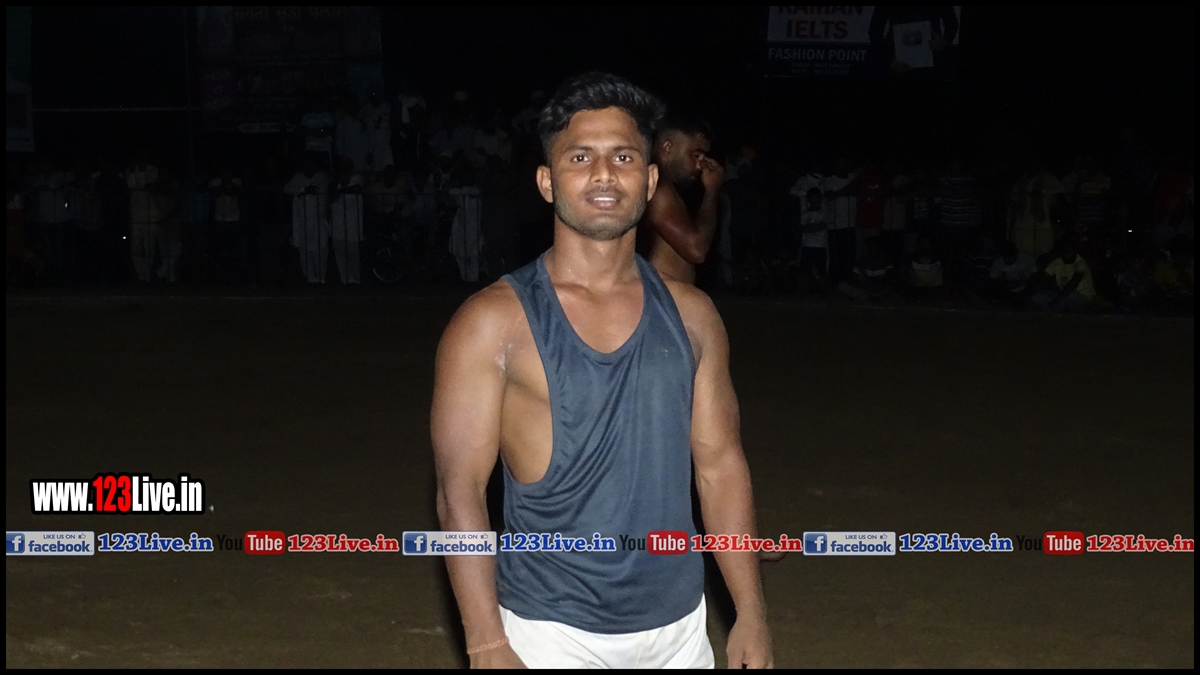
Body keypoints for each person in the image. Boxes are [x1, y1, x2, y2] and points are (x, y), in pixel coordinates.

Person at [432, 72, 773, 669]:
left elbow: (720, 466)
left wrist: (750, 610)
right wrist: (486, 642)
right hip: (549, 633)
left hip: (680, 630)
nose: (603, 174)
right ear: (547, 181)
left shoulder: (694, 316)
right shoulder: (492, 322)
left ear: (650, 180)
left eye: (623, 156)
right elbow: (459, 492)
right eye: (579, 156)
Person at [639, 115, 724, 285]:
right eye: (696, 155)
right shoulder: (658, 187)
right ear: (668, 147)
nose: (700, 166)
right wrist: (712, 190)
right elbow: (696, 250)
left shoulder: (662, 185)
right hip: (659, 296)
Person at [284, 157, 331, 284]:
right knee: (304, 251)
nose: (308, 166)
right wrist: (304, 190)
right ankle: (310, 278)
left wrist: (302, 191)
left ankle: (321, 278)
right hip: (301, 220)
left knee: (320, 250)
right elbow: (287, 188)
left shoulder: (322, 177)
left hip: (318, 220)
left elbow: (320, 190)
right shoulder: (298, 177)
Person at [1029, 235, 1097, 313]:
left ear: (1075, 251)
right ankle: (1057, 310)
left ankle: (1056, 310)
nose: (1067, 255)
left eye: (1069, 253)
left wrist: (1056, 301)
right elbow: (1042, 279)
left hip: (1083, 298)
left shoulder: (1081, 263)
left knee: (1069, 296)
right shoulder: (1057, 263)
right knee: (1037, 295)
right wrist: (1028, 295)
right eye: (1064, 253)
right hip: (1064, 296)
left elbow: (1072, 285)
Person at [125, 151, 161, 283]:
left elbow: (145, 185)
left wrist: (140, 173)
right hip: (136, 216)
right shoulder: (130, 170)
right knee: (136, 249)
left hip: (151, 215)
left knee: (149, 248)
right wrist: (134, 173)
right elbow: (131, 186)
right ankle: (141, 276)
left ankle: (148, 276)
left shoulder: (154, 170)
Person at [822, 156, 858, 283]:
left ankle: (848, 281)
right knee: (836, 255)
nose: (842, 166)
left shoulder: (854, 177)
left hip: (852, 224)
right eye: (839, 164)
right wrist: (845, 191)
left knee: (850, 255)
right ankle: (835, 282)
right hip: (835, 225)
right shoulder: (829, 180)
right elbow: (829, 196)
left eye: (844, 163)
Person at [329, 160, 364, 284]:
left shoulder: (356, 179)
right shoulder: (334, 183)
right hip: (337, 224)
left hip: (353, 225)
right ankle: (345, 280)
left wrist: (341, 191)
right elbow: (330, 196)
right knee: (340, 253)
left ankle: (355, 279)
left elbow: (358, 188)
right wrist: (336, 182)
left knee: (353, 253)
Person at [796, 186, 829, 293]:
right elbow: (802, 228)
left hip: (820, 246)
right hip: (807, 245)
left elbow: (822, 226)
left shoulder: (824, 213)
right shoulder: (804, 214)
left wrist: (809, 228)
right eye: (812, 198)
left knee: (821, 270)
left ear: (820, 199)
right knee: (804, 270)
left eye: (816, 198)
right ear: (808, 200)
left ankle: (823, 291)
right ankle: (803, 291)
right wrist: (815, 228)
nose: (814, 201)